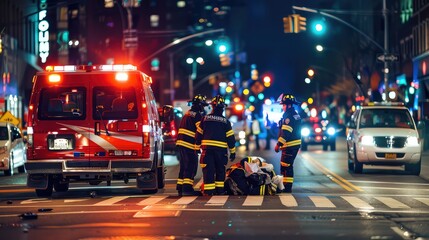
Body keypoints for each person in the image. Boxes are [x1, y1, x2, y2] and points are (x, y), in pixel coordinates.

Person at [196, 95, 236, 196]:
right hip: (221, 152)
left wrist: (197, 148)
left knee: (208, 171)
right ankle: (220, 191)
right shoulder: (226, 122)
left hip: (207, 151)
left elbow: (198, 135)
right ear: (222, 108)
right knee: (220, 171)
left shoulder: (205, 119)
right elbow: (230, 138)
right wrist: (232, 152)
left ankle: (209, 191)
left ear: (212, 107)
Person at [175, 94, 208, 196]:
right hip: (189, 144)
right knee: (191, 166)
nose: (203, 108)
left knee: (184, 166)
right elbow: (200, 131)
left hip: (181, 143)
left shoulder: (188, 113)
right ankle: (187, 189)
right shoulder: (197, 116)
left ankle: (180, 188)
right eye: (202, 105)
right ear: (199, 105)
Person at [274, 93, 302, 193]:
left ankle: (286, 187)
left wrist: (278, 144)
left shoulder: (288, 116)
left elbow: (286, 132)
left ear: (288, 105)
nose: (283, 107)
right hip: (293, 145)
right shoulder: (295, 114)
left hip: (290, 145)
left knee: (286, 166)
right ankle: (286, 186)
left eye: (284, 105)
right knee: (286, 166)